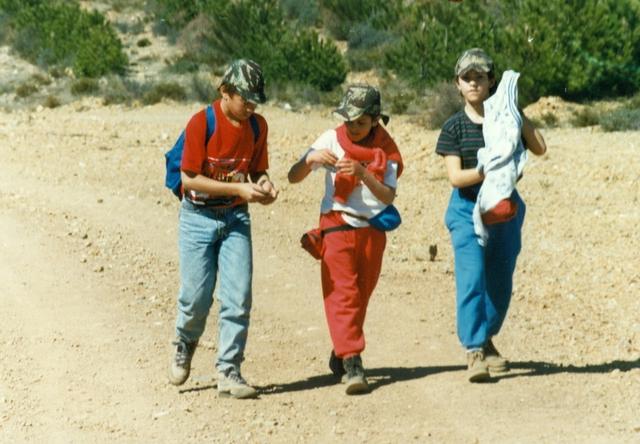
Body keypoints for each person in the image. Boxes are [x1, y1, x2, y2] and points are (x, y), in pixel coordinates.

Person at [168, 59, 278, 399]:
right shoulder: (202, 122)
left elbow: (257, 171)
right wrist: (239, 189)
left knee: (238, 297)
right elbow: (189, 178)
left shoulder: (257, 126)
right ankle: (185, 342)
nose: (250, 106)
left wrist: (264, 185)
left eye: (254, 100)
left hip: (235, 218)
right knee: (195, 298)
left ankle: (229, 371)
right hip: (198, 217)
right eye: (245, 99)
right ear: (224, 92)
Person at [436, 48, 547, 382]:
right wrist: (490, 170)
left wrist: (516, 112)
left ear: (491, 82)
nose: (473, 83)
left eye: (479, 77)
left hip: (505, 209)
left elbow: (540, 147)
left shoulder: (507, 120)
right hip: (466, 210)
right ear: (457, 84)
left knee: (500, 282)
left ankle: (485, 337)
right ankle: (473, 350)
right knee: (471, 279)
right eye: (466, 78)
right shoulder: (454, 127)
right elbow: (456, 177)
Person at [287, 84, 403, 395]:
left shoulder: (385, 150)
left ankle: (341, 351)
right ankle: (353, 363)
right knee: (344, 294)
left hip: (372, 229)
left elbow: (388, 196)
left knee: (361, 295)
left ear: (375, 120)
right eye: (348, 121)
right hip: (336, 223)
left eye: (360, 122)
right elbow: (292, 176)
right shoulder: (330, 139)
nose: (352, 128)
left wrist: (364, 173)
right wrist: (310, 159)